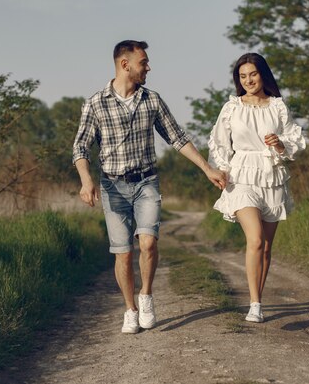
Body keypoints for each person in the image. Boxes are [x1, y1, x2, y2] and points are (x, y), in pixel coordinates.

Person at [72, 40, 227, 334]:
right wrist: (86, 180)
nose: (149, 67)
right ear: (125, 64)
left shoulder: (152, 100)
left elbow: (177, 138)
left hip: (146, 182)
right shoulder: (95, 103)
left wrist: (207, 168)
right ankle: (130, 309)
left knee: (148, 243)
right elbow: (80, 147)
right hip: (113, 187)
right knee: (123, 252)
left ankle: (146, 296)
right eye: (143, 62)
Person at [208, 52, 306, 323]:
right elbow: (218, 143)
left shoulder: (278, 107)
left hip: (271, 176)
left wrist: (280, 144)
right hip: (241, 176)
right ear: (238, 80)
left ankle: (259, 300)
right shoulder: (232, 107)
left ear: (262, 74)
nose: (248, 80)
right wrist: (220, 171)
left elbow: (295, 141)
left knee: (266, 247)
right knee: (255, 240)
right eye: (242, 76)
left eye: (252, 74)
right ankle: (253, 303)